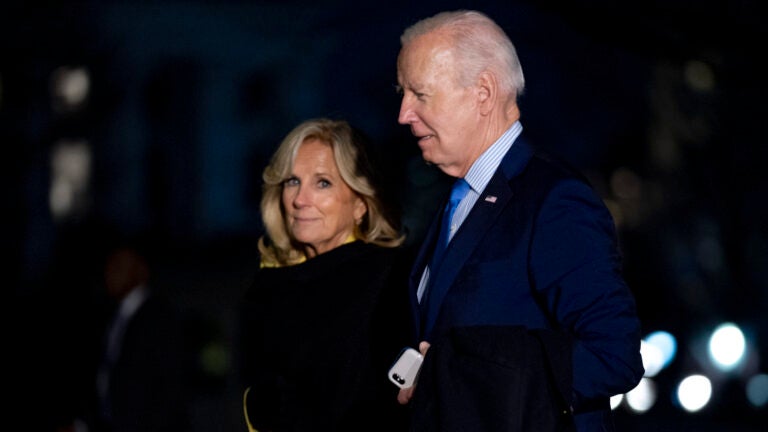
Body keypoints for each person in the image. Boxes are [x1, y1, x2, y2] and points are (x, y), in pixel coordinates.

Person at [394, 10, 645, 431]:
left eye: (420, 94)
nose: (403, 113)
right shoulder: (457, 198)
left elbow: (613, 356)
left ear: (484, 93)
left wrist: (454, 373)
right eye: (402, 93)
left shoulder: (555, 200)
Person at [238, 118, 412, 432]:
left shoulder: (389, 279)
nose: (300, 200)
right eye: (292, 181)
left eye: (322, 183)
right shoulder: (268, 285)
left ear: (360, 203)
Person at [88, 240, 193, 432]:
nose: (110, 273)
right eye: (108, 266)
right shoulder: (112, 316)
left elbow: (168, 389)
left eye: (119, 266)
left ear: (141, 269)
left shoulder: (158, 317)